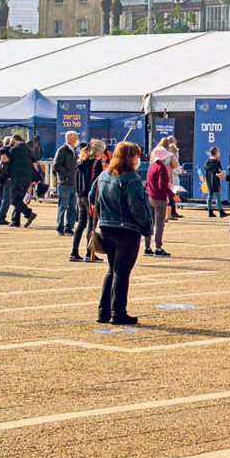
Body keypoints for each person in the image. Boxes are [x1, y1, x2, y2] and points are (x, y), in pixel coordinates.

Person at [91, 141, 153, 325]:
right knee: (121, 272)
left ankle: (103, 311)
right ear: (130, 157)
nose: (138, 159)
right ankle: (118, 312)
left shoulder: (103, 175)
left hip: (106, 228)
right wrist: (146, 227)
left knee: (113, 269)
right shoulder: (131, 179)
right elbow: (137, 207)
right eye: (137, 156)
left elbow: (91, 196)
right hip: (126, 230)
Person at [71, 139, 106, 262]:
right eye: (101, 151)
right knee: (91, 224)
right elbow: (99, 179)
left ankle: (74, 251)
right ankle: (89, 252)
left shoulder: (80, 162)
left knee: (81, 223)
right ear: (96, 150)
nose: (102, 154)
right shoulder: (95, 163)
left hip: (80, 195)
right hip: (90, 196)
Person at [144, 147, 174, 256]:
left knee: (150, 223)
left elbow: (149, 182)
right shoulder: (161, 168)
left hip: (150, 197)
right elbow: (162, 185)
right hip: (159, 198)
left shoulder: (151, 166)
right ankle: (158, 247)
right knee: (159, 224)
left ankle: (147, 247)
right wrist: (172, 195)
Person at [6, 134, 38, 228]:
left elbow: (6, 159)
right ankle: (15, 220)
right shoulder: (28, 150)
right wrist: (35, 177)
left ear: (14, 141)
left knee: (14, 199)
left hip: (18, 177)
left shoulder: (15, 149)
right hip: (28, 178)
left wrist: (4, 150)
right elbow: (34, 163)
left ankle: (28, 213)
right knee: (19, 199)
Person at [53, 131, 80, 236]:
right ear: (69, 138)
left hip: (74, 183)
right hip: (64, 182)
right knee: (62, 206)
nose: (77, 139)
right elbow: (57, 165)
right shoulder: (62, 150)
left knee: (72, 206)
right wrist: (67, 174)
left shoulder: (73, 150)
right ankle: (59, 227)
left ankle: (69, 227)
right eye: (75, 137)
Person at [204, 147, 229, 218]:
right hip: (215, 181)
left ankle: (210, 211)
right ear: (216, 153)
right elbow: (219, 171)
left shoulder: (207, 162)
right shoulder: (217, 162)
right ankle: (221, 211)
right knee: (218, 197)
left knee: (209, 196)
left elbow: (206, 170)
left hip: (209, 181)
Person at [166, 138, 184, 220]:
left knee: (172, 195)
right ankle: (169, 214)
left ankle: (173, 212)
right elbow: (174, 168)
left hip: (173, 178)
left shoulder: (173, 156)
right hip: (171, 179)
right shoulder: (168, 156)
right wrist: (180, 170)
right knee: (170, 196)